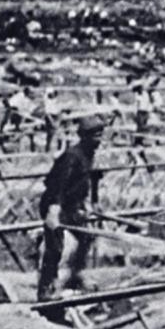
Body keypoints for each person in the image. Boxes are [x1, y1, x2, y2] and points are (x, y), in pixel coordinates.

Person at [36, 114, 107, 302]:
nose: (98, 140)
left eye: (100, 135)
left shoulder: (89, 155)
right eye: (94, 136)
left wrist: (90, 203)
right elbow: (56, 185)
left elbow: (89, 180)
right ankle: (46, 288)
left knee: (86, 236)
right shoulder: (72, 156)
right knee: (55, 248)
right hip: (54, 204)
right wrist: (53, 211)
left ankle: (76, 275)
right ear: (84, 136)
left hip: (71, 205)